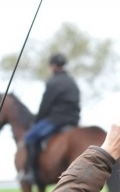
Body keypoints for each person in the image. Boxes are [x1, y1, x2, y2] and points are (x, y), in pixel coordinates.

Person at [23, 52, 80, 183]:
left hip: (56, 120)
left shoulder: (52, 82)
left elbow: (45, 105)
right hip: (73, 120)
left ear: (53, 66)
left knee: (29, 137)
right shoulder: (72, 82)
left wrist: (36, 121)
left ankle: (31, 173)